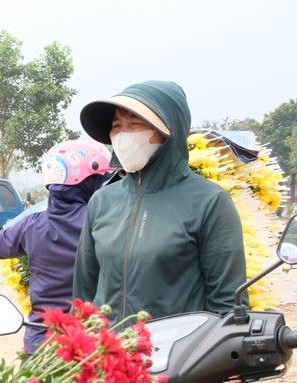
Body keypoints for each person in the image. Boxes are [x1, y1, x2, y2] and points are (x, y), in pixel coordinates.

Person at [73, 80, 248, 324]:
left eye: (134, 124)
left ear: (169, 130)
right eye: (116, 125)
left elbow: (227, 306)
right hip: (107, 357)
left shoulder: (209, 202)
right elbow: (84, 293)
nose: (123, 134)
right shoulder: (102, 201)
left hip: (177, 357)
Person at [0, 139, 115, 353]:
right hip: (86, 344)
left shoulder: (31, 224)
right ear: (88, 181)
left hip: (40, 343)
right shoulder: (102, 221)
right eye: (100, 179)